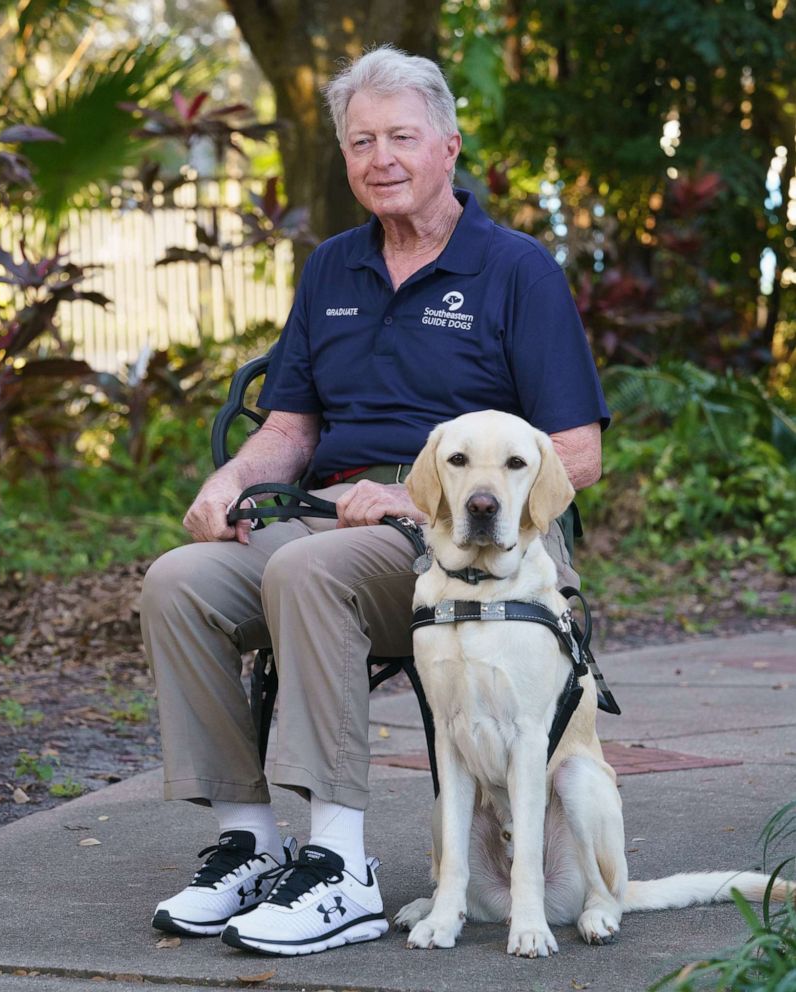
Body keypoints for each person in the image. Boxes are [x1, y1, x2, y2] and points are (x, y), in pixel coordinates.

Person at [140, 44, 609, 957]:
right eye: (362, 142)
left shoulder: (516, 270)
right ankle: (250, 839)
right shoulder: (333, 270)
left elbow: (577, 455)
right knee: (180, 580)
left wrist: (406, 495)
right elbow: (291, 426)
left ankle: (341, 867)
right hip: (324, 523)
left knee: (312, 572)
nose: (380, 157)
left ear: (448, 146)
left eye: (401, 136)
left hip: (458, 551)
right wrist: (234, 476)